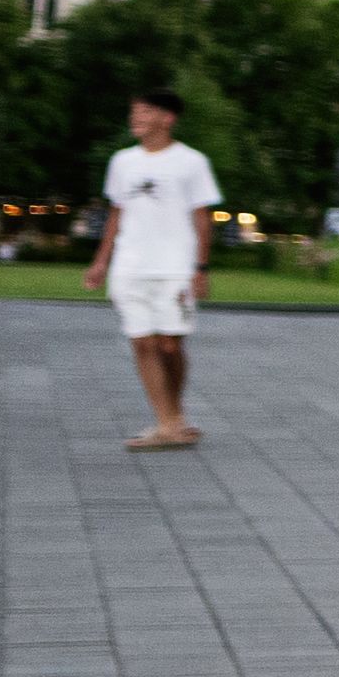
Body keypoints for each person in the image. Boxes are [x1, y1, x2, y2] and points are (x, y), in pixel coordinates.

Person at [92, 92, 223, 450]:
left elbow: (202, 218)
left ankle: (175, 416)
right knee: (142, 342)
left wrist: (201, 267)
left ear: (168, 119)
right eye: (134, 112)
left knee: (169, 345)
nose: (136, 118)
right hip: (129, 268)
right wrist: (101, 261)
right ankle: (165, 423)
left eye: (145, 112)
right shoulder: (122, 161)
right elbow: (116, 213)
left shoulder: (192, 162)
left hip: (175, 270)